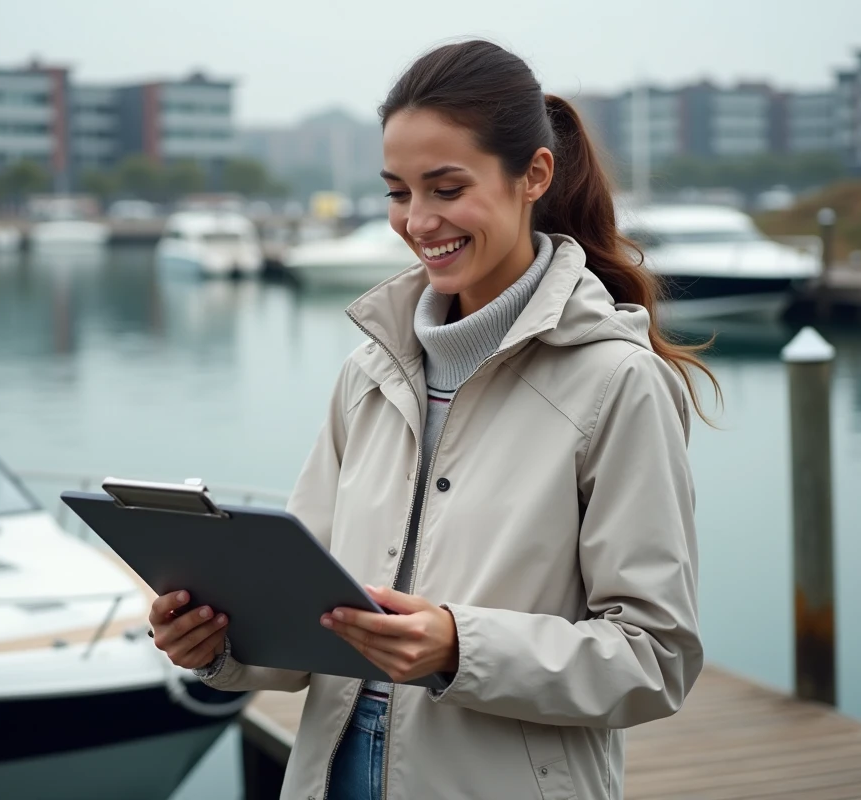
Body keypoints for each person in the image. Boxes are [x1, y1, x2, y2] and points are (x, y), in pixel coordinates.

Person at [148, 39, 718, 800]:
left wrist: (459, 646)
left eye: (446, 189)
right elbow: (306, 622)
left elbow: (656, 659)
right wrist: (217, 644)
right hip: (332, 774)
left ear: (533, 177)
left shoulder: (618, 382)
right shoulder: (368, 375)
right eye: (396, 192)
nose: (417, 221)